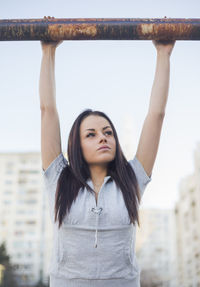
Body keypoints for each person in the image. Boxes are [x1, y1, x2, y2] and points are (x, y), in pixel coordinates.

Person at [39, 27, 175, 286]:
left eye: (108, 132)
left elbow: (156, 115)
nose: (103, 137)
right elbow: (48, 111)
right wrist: (48, 51)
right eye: (91, 134)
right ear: (76, 145)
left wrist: (163, 54)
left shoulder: (132, 178)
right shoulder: (58, 178)